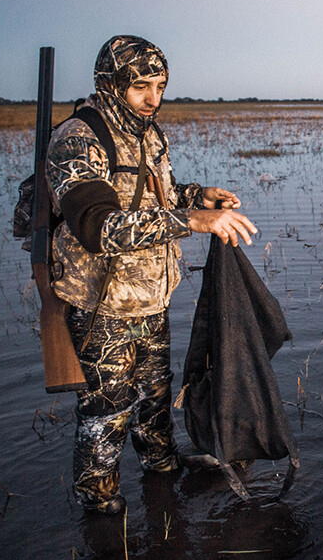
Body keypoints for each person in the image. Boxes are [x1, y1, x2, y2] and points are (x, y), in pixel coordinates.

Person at [46, 34, 257, 515]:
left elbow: (151, 195)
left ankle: (162, 478)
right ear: (112, 83)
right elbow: (98, 226)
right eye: (140, 86)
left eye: (160, 86)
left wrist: (195, 196)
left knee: (155, 400)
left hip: (149, 297)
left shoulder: (147, 133)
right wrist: (194, 222)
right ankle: (100, 509)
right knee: (106, 414)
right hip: (100, 304)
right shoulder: (78, 139)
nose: (153, 99)